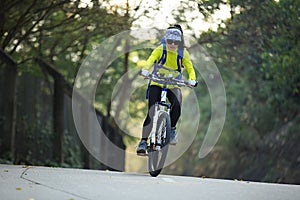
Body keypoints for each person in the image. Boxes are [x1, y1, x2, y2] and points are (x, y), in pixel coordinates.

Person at [137, 24, 197, 155]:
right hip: (156, 83)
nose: (172, 44)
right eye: (170, 41)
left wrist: (192, 79)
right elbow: (150, 60)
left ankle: (172, 129)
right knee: (152, 111)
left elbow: (190, 68)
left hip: (174, 84)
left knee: (177, 105)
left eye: (176, 42)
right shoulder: (160, 49)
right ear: (166, 39)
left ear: (179, 42)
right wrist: (145, 71)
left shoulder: (183, 53)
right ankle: (143, 142)